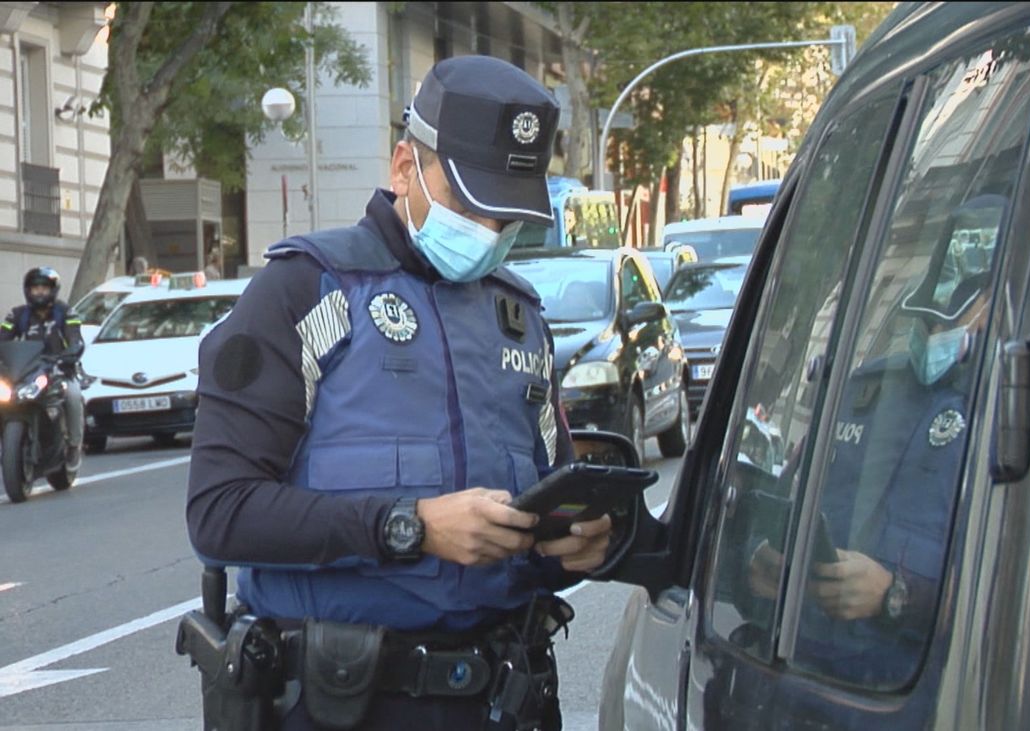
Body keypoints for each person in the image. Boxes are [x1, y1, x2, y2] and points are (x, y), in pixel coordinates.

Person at [184, 56, 613, 730]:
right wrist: (409, 526)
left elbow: (544, 496)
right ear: (404, 166)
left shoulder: (520, 316)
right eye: (473, 204)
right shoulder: (304, 291)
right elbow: (219, 513)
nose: (491, 234)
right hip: (341, 702)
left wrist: (579, 541)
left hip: (506, 696)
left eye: (509, 217)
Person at [746, 272, 993, 690]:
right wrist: (757, 562)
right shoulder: (864, 391)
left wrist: (893, 596)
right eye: (932, 319)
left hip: (916, 694)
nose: (936, 332)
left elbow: (1014, 605)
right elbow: (778, 502)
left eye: (956, 320)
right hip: (799, 675)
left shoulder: (1011, 416)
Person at [0, 267, 85, 470]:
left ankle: (73, 446)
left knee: (73, 396)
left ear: (53, 290)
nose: (39, 292)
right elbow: (3, 338)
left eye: (44, 288)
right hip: (25, 371)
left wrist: (71, 353)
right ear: (27, 290)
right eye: (35, 288)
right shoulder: (17, 314)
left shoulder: (65, 312)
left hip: (58, 369)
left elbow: (75, 338)